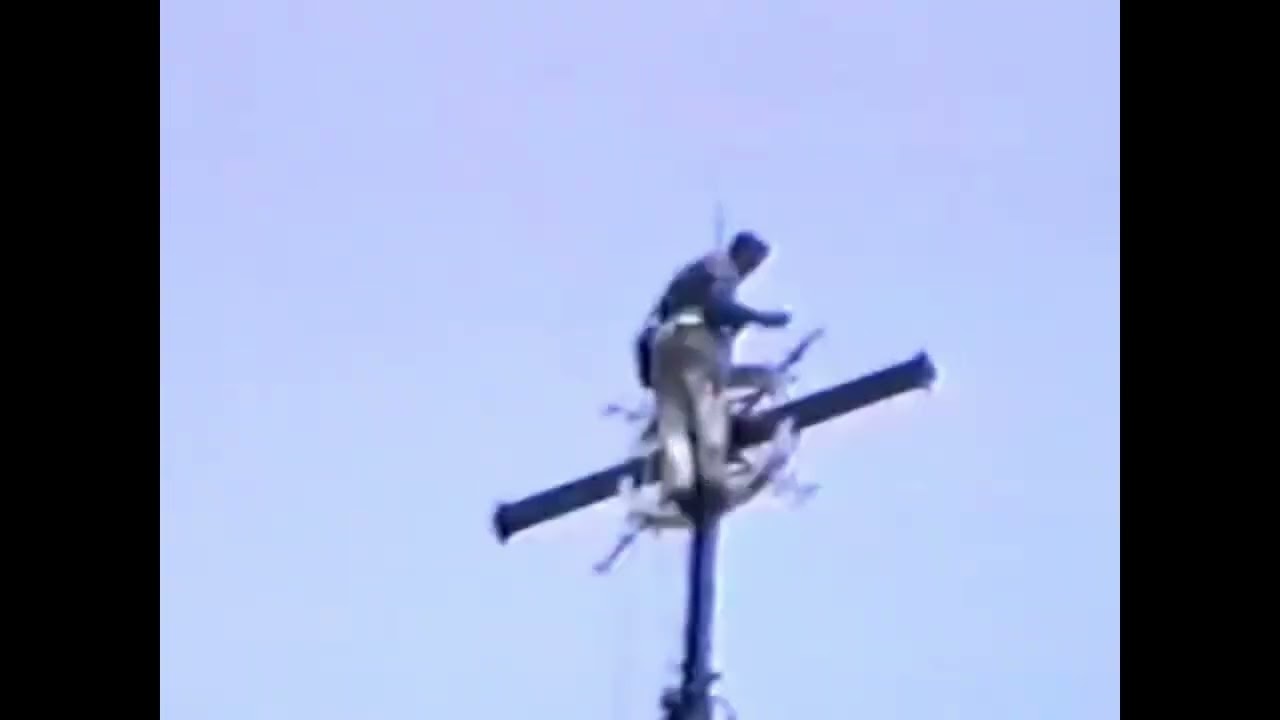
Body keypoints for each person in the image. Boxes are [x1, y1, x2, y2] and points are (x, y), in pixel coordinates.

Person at [636, 231, 792, 510]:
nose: (751, 270)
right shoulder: (720, 268)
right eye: (752, 262)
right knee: (759, 379)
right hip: (685, 347)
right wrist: (761, 318)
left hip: (669, 352)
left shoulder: (708, 271)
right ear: (742, 253)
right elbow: (716, 308)